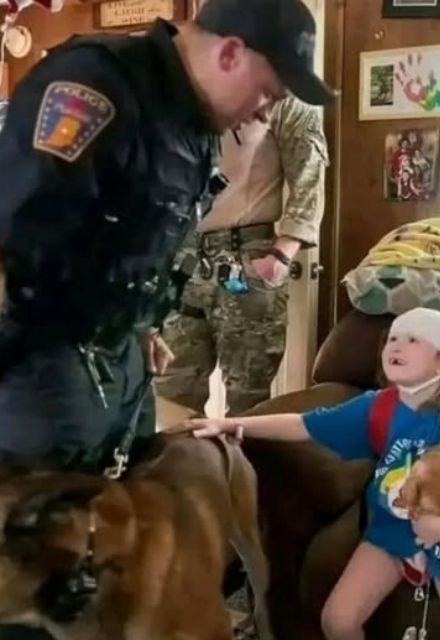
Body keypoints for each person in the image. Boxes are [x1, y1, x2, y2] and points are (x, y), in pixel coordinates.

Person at [0, 0, 333, 636]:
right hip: (47, 368)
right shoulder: (95, 85)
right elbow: (19, 236)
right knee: (39, 567)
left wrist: (142, 323)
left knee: (112, 558)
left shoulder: (192, 117)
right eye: (267, 92)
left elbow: (137, 239)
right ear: (230, 52)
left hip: (119, 359)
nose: (265, 111)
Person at [182, 308, 440, 640]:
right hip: (390, 531)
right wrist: (231, 423)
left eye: (413, 340)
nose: (395, 346)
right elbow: (304, 424)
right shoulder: (379, 407)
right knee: (338, 620)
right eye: (392, 338)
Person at [155, 93, 327, 415]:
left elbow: (309, 175)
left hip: (247, 256)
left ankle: (242, 452)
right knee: (170, 394)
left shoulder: (284, 95)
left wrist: (281, 255)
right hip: (178, 257)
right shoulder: (176, 92)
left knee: (249, 399)